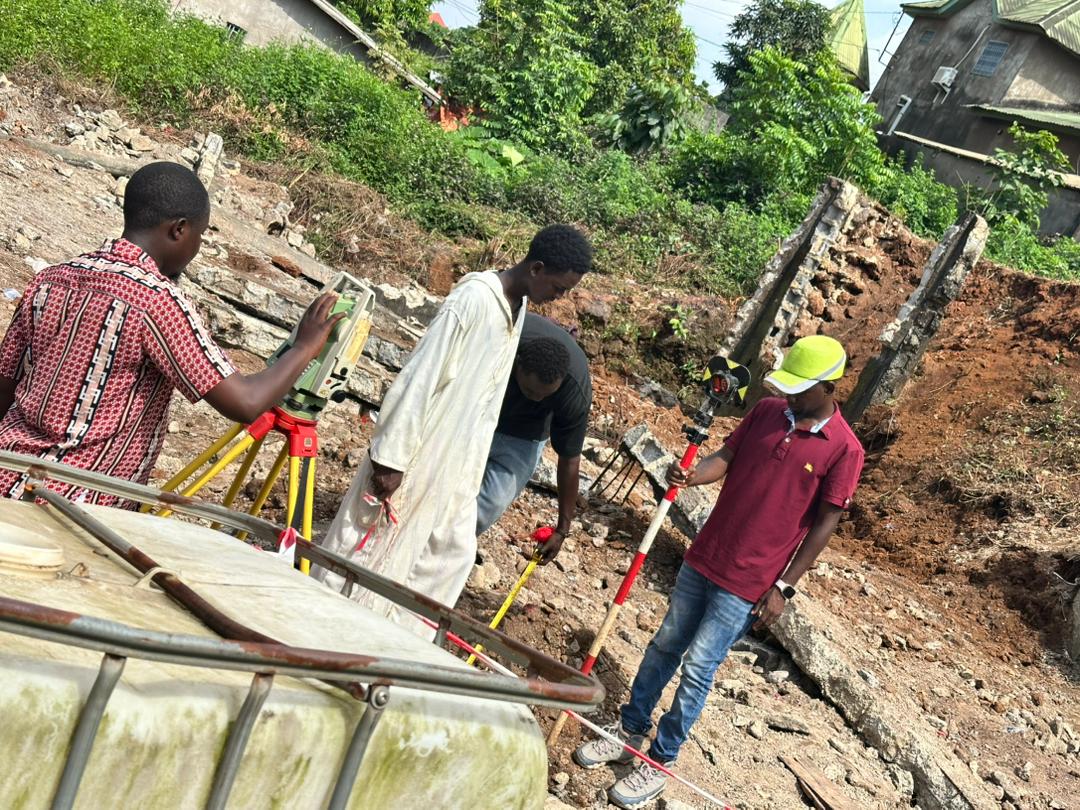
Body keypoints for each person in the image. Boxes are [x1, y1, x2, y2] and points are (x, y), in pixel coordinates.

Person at [573, 335, 865, 809]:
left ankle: (660, 761)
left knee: (699, 669)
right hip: (706, 554)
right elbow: (725, 458)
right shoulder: (767, 411)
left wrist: (784, 587)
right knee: (665, 643)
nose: (791, 395)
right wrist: (692, 475)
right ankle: (629, 727)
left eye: (802, 388)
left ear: (830, 385)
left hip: (750, 580)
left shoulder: (844, 451)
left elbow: (825, 523)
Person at [0, 161, 342, 506]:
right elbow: (246, 402)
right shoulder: (156, 300)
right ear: (179, 230)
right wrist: (304, 347)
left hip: (7, 473)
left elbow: (5, 385)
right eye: (201, 234)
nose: (197, 247)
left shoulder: (52, 277)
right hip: (64, 503)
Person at [317, 225, 593, 629]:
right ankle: (327, 632)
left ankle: (389, 649)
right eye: (558, 287)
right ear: (536, 268)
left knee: (449, 556)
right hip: (419, 453)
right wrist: (390, 458)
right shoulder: (475, 299)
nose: (560, 298)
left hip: (459, 462)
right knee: (371, 550)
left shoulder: (517, 311)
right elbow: (419, 377)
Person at [475, 312, 592, 565]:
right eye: (529, 390)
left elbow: (569, 460)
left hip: (526, 435)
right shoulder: (504, 338)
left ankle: (451, 546)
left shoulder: (574, 389)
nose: (535, 398)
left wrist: (562, 529)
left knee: (491, 503)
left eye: (544, 395)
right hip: (478, 411)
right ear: (517, 364)